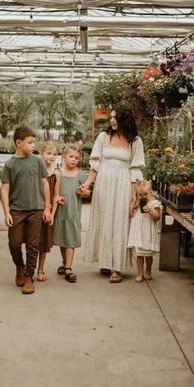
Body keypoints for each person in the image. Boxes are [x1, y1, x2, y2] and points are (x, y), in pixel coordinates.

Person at [78, 105, 145, 283]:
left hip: (122, 185)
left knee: (120, 223)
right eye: (111, 117)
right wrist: (86, 185)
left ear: (125, 120)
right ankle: (106, 260)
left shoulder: (135, 141)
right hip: (103, 185)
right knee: (104, 220)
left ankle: (117, 268)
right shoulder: (103, 136)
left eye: (116, 117)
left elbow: (135, 170)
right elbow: (95, 165)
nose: (112, 120)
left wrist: (134, 197)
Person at [0, 126, 52, 295]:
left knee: (32, 245)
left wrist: (47, 208)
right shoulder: (10, 164)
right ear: (18, 143)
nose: (33, 146)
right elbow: (5, 190)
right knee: (14, 243)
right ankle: (19, 267)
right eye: (30, 143)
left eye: (34, 142)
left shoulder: (37, 161)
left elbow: (45, 184)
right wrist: (7, 212)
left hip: (36, 210)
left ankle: (29, 277)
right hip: (16, 210)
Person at [53, 145, 90, 283]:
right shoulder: (58, 172)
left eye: (76, 158)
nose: (73, 160)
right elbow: (52, 190)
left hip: (73, 212)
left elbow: (87, 192)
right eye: (71, 156)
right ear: (64, 156)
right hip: (61, 211)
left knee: (70, 239)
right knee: (63, 238)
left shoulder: (80, 174)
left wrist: (84, 192)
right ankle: (64, 262)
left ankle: (68, 268)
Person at [127, 179, 162, 281]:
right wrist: (131, 207)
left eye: (145, 194)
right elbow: (131, 215)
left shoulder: (154, 203)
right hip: (138, 233)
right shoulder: (138, 203)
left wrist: (150, 211)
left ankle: (148, 270)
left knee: (148, 255)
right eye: (140, 195)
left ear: (151, 192)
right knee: (139, 254)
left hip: (148, 232)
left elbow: (157, 217)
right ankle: (140, 273)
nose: (142, 197)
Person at [36, 141, 59, 282]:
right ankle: (29, 268)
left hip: (48, 212)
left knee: (44, 241)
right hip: (35, 209)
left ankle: (41, 269)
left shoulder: (56, 173)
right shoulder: (37, 171)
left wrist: (52, 214)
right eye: (49, 153)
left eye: (55, 154)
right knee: (32, 241)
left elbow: (56, 196)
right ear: (41, 153)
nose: (52, 156)